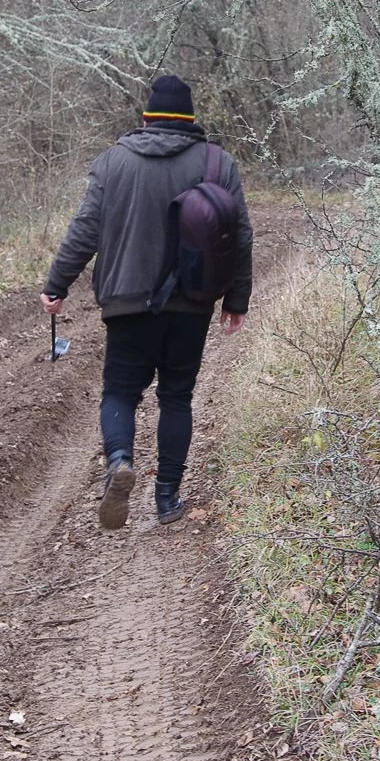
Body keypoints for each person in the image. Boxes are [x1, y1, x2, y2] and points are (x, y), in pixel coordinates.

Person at [41, 75, 253, 529]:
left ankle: (120, 460)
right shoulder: (218, 162)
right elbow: (240, 236)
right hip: (191, 303)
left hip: (126, 302)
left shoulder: (113, 162)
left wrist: (57, 285)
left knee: (120, 391)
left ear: (146, 118)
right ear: (191, 119)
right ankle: (167, 499)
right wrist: (236, 299)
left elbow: (84, 230)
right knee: (176, 397)